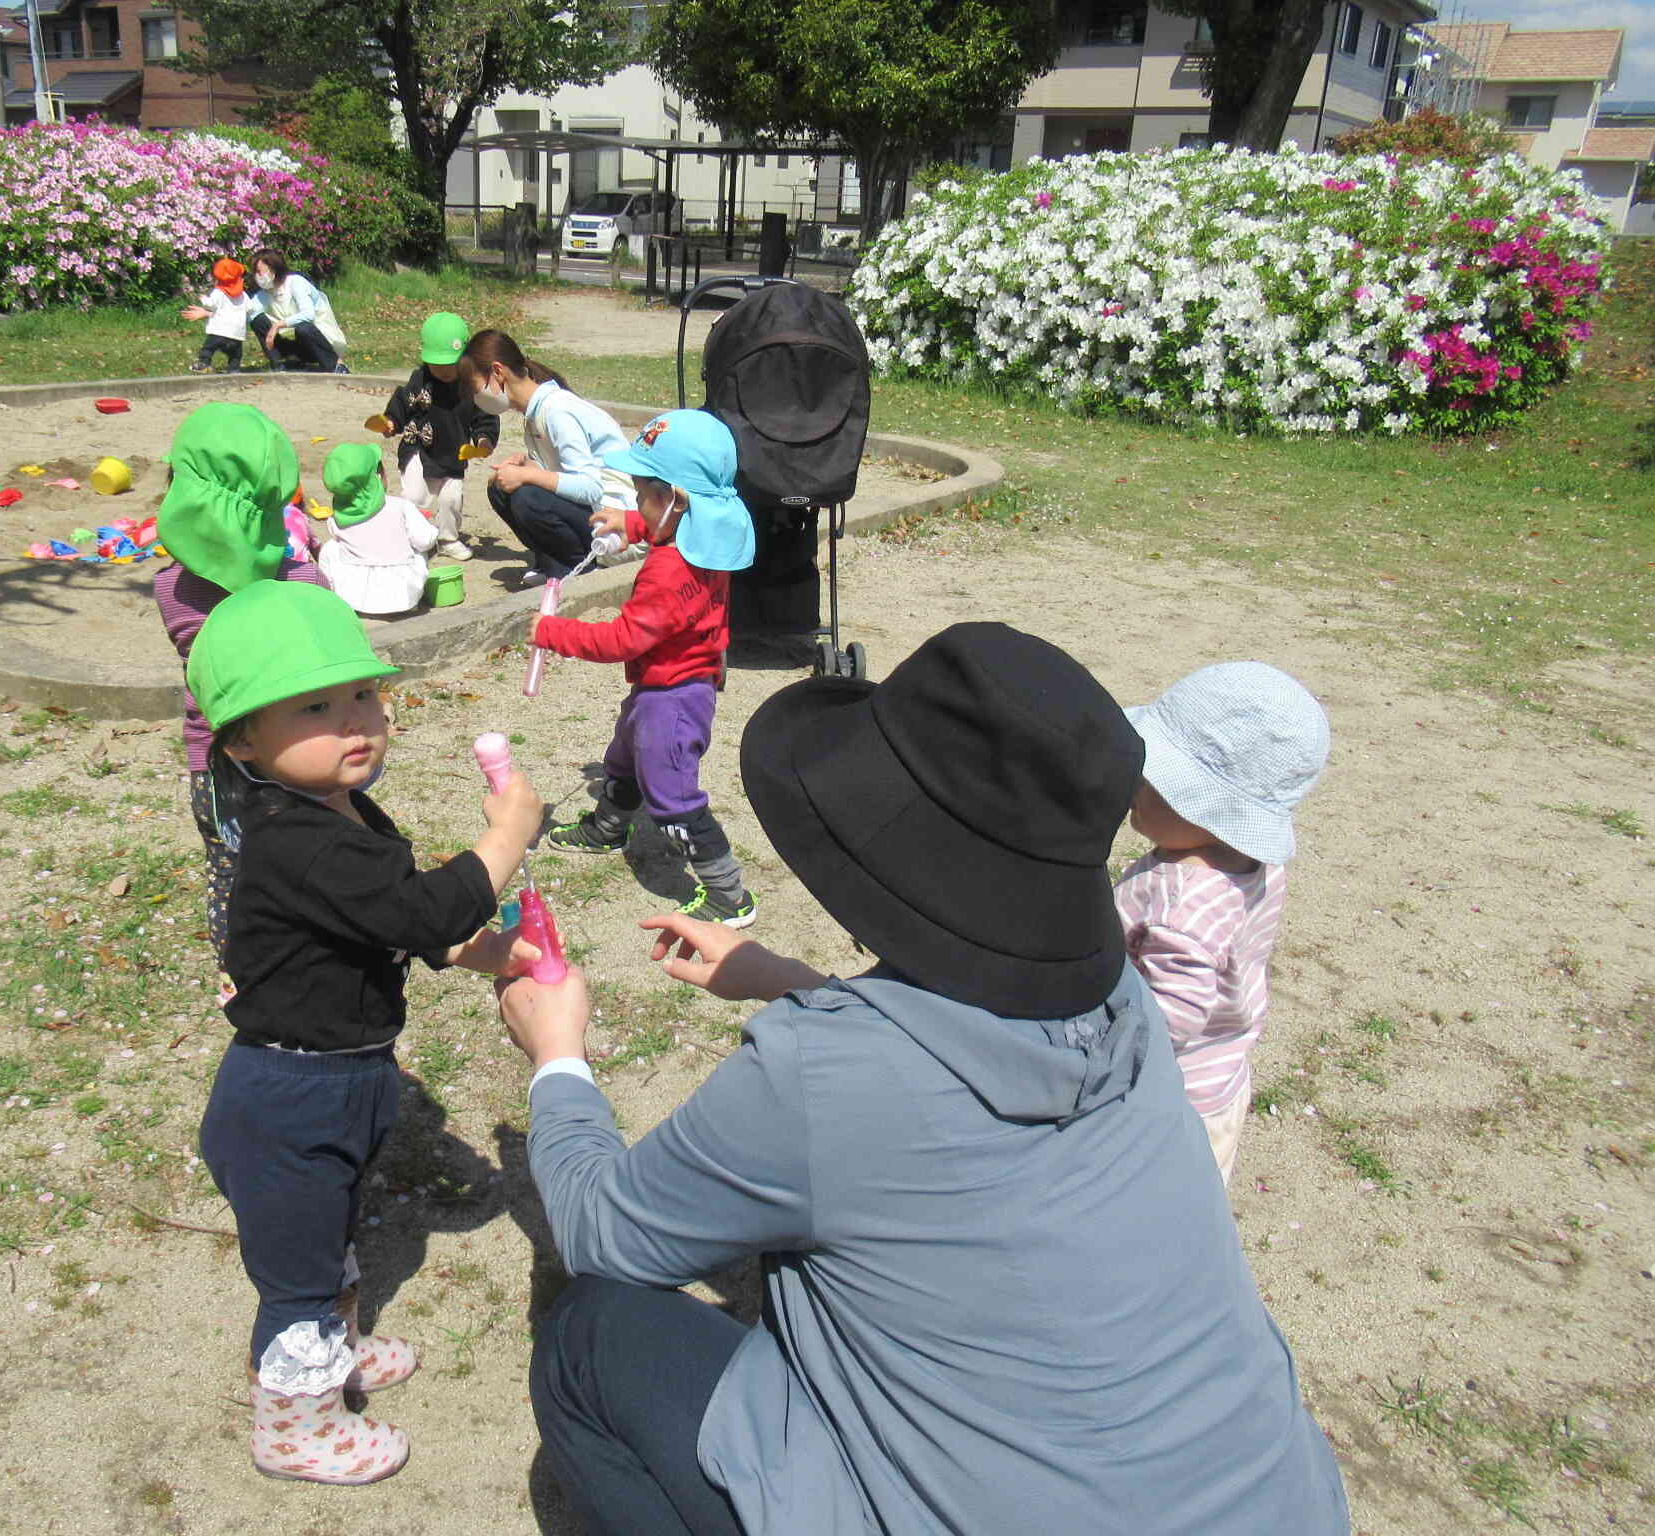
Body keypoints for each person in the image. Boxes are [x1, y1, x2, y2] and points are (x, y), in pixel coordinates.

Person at [497, 623, 1351, 1536]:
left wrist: (558, 1059)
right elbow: (962, 1043)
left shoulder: (821, 1073)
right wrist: (787, 978)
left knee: (592, 1334)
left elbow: (607, 1234)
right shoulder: (1125, 1004)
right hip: (1279, 1501)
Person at [188, 579, 543, 1485]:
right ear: (242, 743)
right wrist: (504, 841)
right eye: (315, 706)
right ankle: (293, 1427)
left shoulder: (341, 811)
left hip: (341, 1075)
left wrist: (477, 950)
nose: (355, 720)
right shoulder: (292, 838)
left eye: (362, 695)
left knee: (332, 1228)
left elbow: (387, 920)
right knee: (298, 1277)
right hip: (288, 1098)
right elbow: (415, 906)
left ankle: (337, 1350)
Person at [535, 410, 758, 927]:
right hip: (673, 682)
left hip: (674, 698)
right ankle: (609, 826)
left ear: (674, 500)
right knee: (625, 755)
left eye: (641, 496)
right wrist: (631, 524)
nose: (635, 502)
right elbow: (667, 526)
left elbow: (623, 638)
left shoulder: (665, 572)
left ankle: (729, 894)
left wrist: (554, 633)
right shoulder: (709, 530)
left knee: (676, 797)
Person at [1116, 661, 1332, 1184]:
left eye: (1153, 774)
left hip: (1161, 1107)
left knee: (1148, 1229)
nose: (1134, 780)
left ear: (1202, 803)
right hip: (1220, 1083)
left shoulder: (1181, 900)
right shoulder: (1253, 866)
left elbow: (1170, 1022)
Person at [153, 402, 329, 962]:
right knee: (312, 861)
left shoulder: (169, 591)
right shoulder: (306, 583)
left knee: (231, 869)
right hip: (301, 753)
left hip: (214, 760)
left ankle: (240, 968)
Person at [459, 329, 636, 584]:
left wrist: (529, 474)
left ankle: (580, 567)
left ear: (498, 372)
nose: (476, 399)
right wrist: (527, 465)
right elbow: (559, 472)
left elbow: (590, 487)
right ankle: (553, 563)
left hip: (617, 526)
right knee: (500, 488)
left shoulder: (557, 411)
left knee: (526, 496)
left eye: (476, 389)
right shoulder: (535, 414)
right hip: (595, 513)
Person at [377, 311, 500, 562]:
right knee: (413, 496)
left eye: (450, 366)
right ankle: (409, 537)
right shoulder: (420, 379)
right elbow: (402, 402)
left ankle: (448, 539)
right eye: (437, 365)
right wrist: (391, 420)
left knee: (451, 498)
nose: (443, 372)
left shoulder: (471, 385)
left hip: (453, 452)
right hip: (419, 448)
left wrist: (484, 439)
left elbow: (485, 415)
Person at [315, 442, 440, 617]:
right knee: (421, 541)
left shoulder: (337, 518)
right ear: (378, 477)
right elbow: (425, 540)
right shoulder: (401, 506)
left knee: (331, 548)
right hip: (404, 594)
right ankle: (415, 601)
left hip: (353, 597)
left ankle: (331, 595)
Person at [248, 247, 348, 373]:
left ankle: (335, 365)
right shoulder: (265, 293)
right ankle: (279, 365)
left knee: (303, 327)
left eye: (259, 272)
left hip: (323, 341)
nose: (257, 276)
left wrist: (278, 325)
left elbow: (308, 315)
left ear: (273, 269)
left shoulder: (296, 282)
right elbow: (248, 312)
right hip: (299, 346)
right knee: (257, 320)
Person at [180, 257, 256, 373]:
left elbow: (211, 305)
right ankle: (234, 369)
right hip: (237, 334)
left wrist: (203, 298)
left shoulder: (219, 292)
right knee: (236, 354)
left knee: (208, 348)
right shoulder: (243, 295)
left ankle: (203, 363)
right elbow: (250, 309)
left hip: (219, 331)